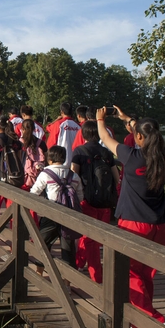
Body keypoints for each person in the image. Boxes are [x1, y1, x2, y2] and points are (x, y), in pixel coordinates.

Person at [96, 106, 165, 328]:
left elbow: (104, 137)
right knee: (146, 273)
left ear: (139, 137)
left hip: (134, 224)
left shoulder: (131, 157)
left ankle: (148, 322)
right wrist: (128, 119)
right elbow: (144, 133)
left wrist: (101, 118)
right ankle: (145, 314)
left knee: (129, 273)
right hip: (159, 225)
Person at [71, 121, 120, 284]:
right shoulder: (106, 153)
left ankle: (97, 277)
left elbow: (74, 177)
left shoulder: (79, 152)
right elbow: (116, 177)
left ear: (83, 135)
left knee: (88, 237)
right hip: (105, 202)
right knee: (98, 237)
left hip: (88, 200)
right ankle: (79, 263)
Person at [30, 145, 83, 280]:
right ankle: (67, 282)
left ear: (50, 159)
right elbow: (80, 197)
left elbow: (34, 193)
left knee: (43, 244)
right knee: (68, 249)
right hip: (69, 216)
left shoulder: (46, 174)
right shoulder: (74, 175)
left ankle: (39, 274)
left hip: (50, 214)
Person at [46, 102, 80, 166]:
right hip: (75, 161)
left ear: (62, 112)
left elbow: (51, 143)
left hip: (59, 160)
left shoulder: (59, 124)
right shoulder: (78, 126)